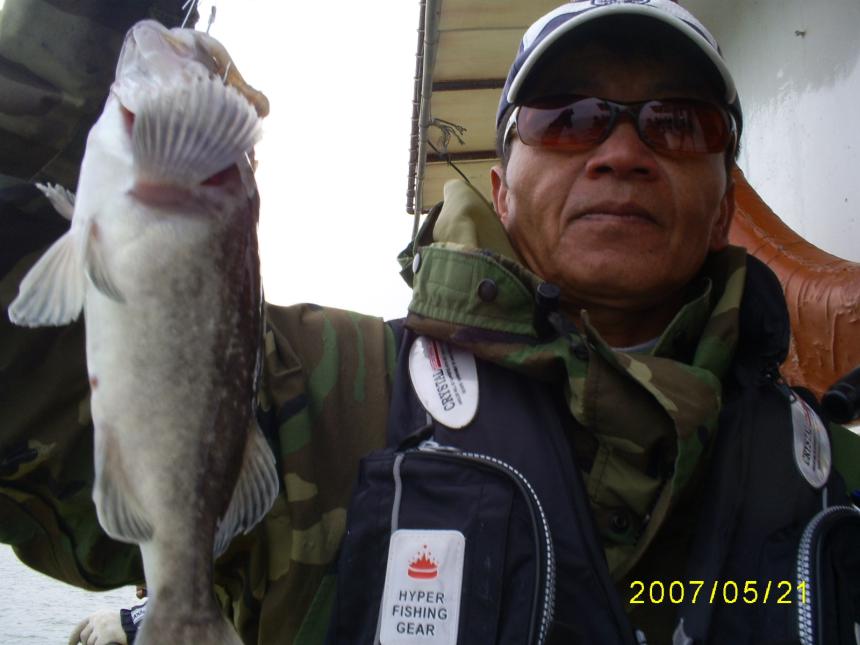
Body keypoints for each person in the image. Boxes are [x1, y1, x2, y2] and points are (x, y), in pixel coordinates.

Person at [2, 1, 859, 644]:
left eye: (677, 123)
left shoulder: (836, 477)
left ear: (725, 206)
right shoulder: (321, 397)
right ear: (502, 191)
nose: (622, 152)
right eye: (569, 118)